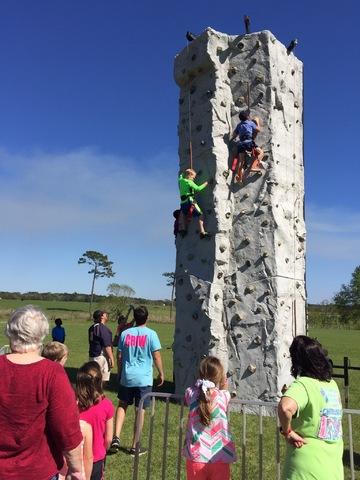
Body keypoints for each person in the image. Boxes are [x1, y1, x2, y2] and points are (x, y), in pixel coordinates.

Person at [0, 305, 84, 480]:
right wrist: (77, 470)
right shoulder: (52, 372)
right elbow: (67, 429)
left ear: (10, 332)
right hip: (38, 471)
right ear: (41, 335)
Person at [278, 335, 343, 480]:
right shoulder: (332, 385)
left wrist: (287, 431)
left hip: (305, 465)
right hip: (333, 464)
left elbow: (285, 408)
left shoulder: (303, 384)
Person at [110, 306, 164, 456]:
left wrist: (120, 373)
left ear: (135, 317)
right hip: (144, 379)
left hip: (127, 376)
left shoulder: (125, 333)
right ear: (147, 318)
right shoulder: (152, 334)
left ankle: (116, 437)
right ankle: (135, 446)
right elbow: (157, 356)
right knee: (140, 410)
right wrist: (161, 373)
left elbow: (119, 356)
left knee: (122, 404)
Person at [42, 342, 93, 480]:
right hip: (57, 448)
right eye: (65, 358)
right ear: (58, 360)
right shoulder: (58, 379)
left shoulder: (40, 374)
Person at [182, 356, 236, 480]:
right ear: (220, 377)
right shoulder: (223, 396)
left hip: (196, 456)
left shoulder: (191, 393)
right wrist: (223, 385)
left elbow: (190, 392)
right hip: (220, 457)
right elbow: (224, 392)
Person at [76, 362, 115, 480]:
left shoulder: (72, 405)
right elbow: (108, 438)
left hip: (75, 457)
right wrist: (104, 449)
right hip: (97, 457)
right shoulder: (107, 405)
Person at [230, 109, 264, 182]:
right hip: (249, 142)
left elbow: (234, 135)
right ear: (248, 117)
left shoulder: (239, 125)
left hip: (241, 144)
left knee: (241, 161)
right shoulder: (250, 123)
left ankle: (239, 177)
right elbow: (258, 130)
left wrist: (231, 139)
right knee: (260, 152)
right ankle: (253, 167)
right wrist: (257, 122)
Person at [178, 169, 209, 239]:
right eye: (193, 177)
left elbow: (181, 175)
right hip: (190, 201)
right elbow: (198, 188)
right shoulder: (189, 182)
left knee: (184, 215)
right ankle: (202, 231)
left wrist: (187, 171)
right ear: (189, 175)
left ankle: (183, 229)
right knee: (201, 214)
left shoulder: (180, 180)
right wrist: (206, 183)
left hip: (183, 203)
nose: (193, 179)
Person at [88, 310, 115, 383]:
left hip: (93, 356)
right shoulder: (101, 328)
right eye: (105, 314)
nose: (107, 316)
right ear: (102, 316)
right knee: (101, 381)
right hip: (100, 357)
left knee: (93, 380)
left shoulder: (92, 327)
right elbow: (107, 345)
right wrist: (111, 358)